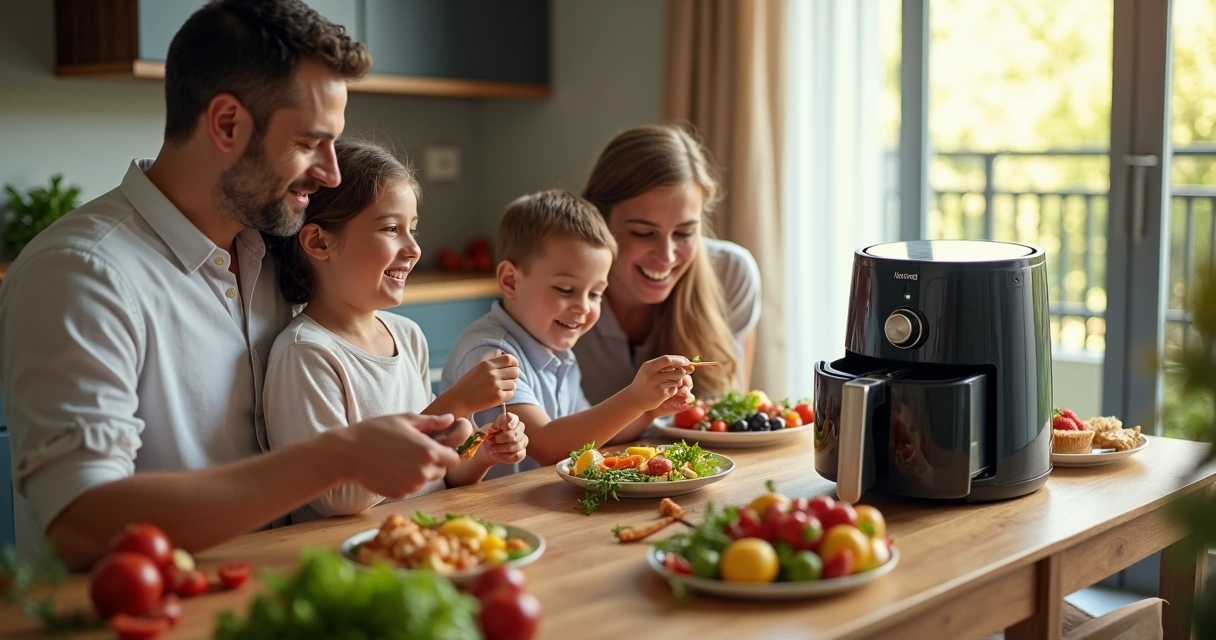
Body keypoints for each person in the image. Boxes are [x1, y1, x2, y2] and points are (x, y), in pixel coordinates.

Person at [0, 0, 465, 570]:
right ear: (226, 124)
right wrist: (338, 458)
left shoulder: (268, 248)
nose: (330, 172)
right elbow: (81, 521)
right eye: (308, 142)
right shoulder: (80, 273)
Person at [263, 138, 527, 524]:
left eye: (413, 230)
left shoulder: (408, 336)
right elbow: (338, 497)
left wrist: (485, 449)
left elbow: (446, 471)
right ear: (319, 242)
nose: (414, 249)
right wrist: (452, 405)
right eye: (391, 228)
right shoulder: (306, 354)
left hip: (428, 538)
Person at [440, 190, 693, 472]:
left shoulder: (560, 353)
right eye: (565, 290)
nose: (583, 307)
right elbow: (549, 446)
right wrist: (635, 398)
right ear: (510, 280)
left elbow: (588, 436)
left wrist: (650, 410)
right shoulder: (490, 354)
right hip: (491, 510)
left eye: (596, 294)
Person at [574, 124, 762, 405]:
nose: (667, 256)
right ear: (598, 219)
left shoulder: (731, 274)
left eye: (685, 233)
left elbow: (730, 414)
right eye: (643, 233)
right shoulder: (558, 289)